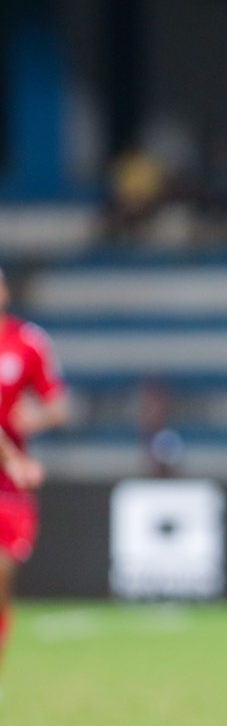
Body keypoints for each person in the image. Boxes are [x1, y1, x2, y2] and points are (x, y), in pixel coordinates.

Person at [0, 268, 70, 698]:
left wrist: (37, 418)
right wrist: (15, 459)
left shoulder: (27, 343)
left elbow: (58, 405)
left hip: (7, 487)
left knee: (3, 578)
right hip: (11, 470)